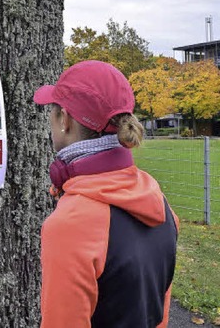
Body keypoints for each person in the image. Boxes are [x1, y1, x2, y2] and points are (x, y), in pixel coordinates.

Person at [33, 60, 179, 328]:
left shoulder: (70, 225)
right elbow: (160, 311)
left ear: (64, 119)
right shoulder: (160, 202)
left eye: (52, 113)